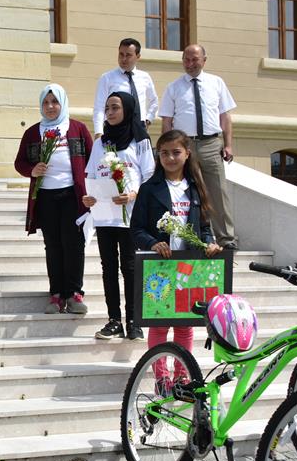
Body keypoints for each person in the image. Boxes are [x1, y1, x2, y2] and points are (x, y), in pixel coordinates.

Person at [130, 129, 222, 377]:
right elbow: (136, 229)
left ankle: (183, 375)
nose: (170, 158)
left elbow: (204, 227)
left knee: (184, 324)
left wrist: (209, 243)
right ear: (158, 156)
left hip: (188, 267)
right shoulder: (149, 189)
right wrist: (152, 243)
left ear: (187, 154)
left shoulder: (195, 188)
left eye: (176, 152)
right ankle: (161, 376)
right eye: (164, 153)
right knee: (160, 324)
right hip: (160, 268)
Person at [14, 83, 92, 315]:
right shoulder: (32, 133)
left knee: (74, 244)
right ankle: (56, 294)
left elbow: (93, 158)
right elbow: (19, 163)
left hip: (73, 195)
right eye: (46, 102)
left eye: (54, 101)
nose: (50, 107)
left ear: (63, 103)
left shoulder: (77, 128)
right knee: (54, 245)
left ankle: (74, 294)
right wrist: (32, 170)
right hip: (46, 196)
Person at [83, 91, 154, 342]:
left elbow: (150, 177)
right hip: (104, 215)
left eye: (115, 108)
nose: (110, 113)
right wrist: (88, 197)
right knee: (108, 268)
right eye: (107, 108)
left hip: (130, 217)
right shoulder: (101, 143)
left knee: (131, 268)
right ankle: (114, 321)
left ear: (127, 110)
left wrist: (133, 195)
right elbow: (91, 175)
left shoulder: (140, 141)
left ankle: (134, 321)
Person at [159, 44, 238, 249]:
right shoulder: (174, 87)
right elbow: (167, 120)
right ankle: (198, 237)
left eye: (195, 59)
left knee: (218, 191)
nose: (190, 64)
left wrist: (228, 145)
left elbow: (225, 116)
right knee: (191, 193)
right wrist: (167, 150)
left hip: (212, 143)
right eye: (186, 59)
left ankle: (226, 239)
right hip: (185, 146)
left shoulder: (216, 83)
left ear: (204, 60)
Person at [92, 38, 159, 137]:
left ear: (138, 56)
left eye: (128, 55)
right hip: (114, 130)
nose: (124, 59)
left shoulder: (145, 77)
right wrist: (98, 132)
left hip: (139, 130)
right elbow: (99, 107)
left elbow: (154, 101)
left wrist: (148, 120)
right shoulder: (107, 78)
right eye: (121, 54)